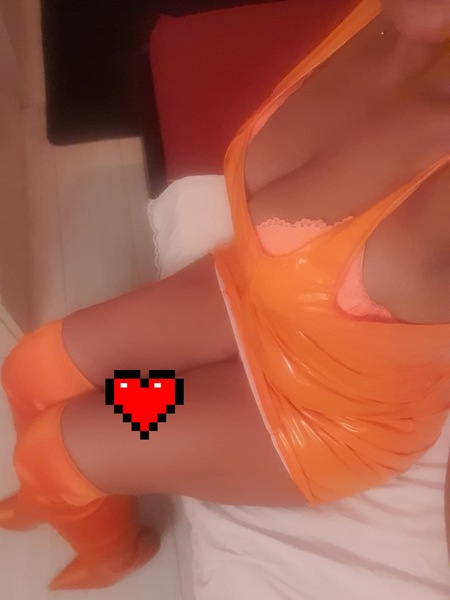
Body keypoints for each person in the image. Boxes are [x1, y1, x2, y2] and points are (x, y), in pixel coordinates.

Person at [1, 0, 449, 590]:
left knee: (55, 450)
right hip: (250, 297)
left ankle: (114, 553)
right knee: (30, 371)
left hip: (313, 411)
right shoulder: (394, 16)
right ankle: (50, 497)